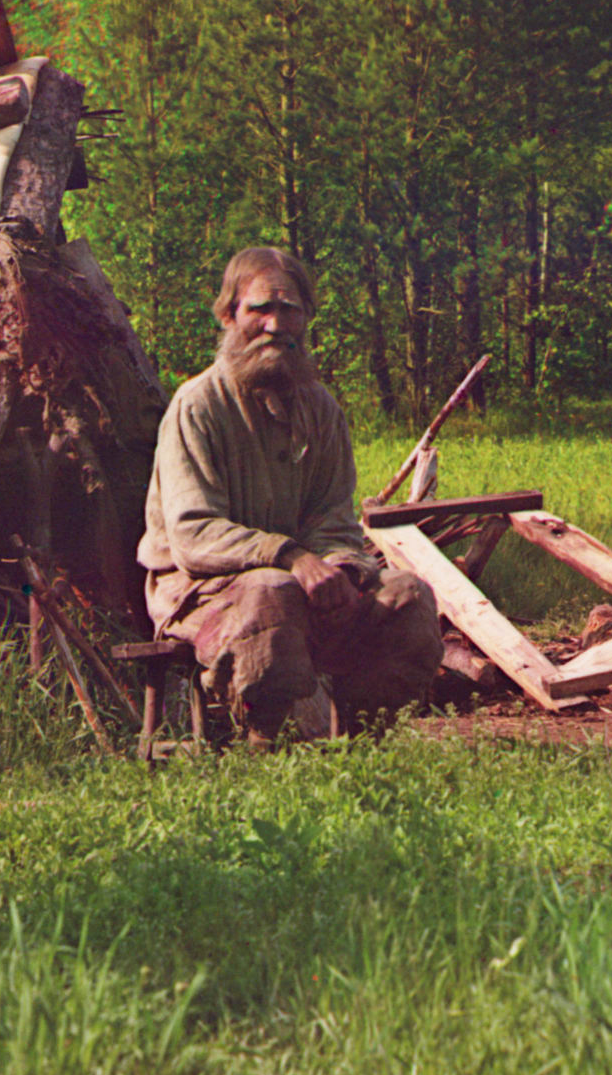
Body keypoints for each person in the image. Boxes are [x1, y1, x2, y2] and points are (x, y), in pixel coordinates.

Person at [140, 245, 444, 741]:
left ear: (306, 319)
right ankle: (270, 748)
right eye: (259, 309)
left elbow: (334, 517)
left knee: (407, 596)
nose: (276, 325)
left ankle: (362, 744)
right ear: (228, 315)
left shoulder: (321, 409)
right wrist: (293, 559)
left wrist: (341, 570)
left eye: (290, 309)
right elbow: (194, 534)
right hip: (199, 591)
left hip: (301, 586)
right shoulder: (197, 406)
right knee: (271, 591)